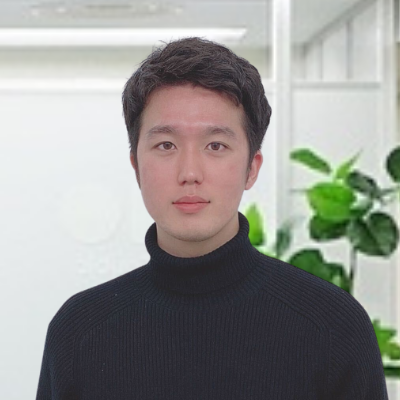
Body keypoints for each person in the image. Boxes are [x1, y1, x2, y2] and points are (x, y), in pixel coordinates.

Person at [36, 37, 388, 399]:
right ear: (136, 167)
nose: (190, 172)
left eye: (216, 146)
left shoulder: (332, 326)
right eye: (166, 145)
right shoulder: (80, 331)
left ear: (252, 168)